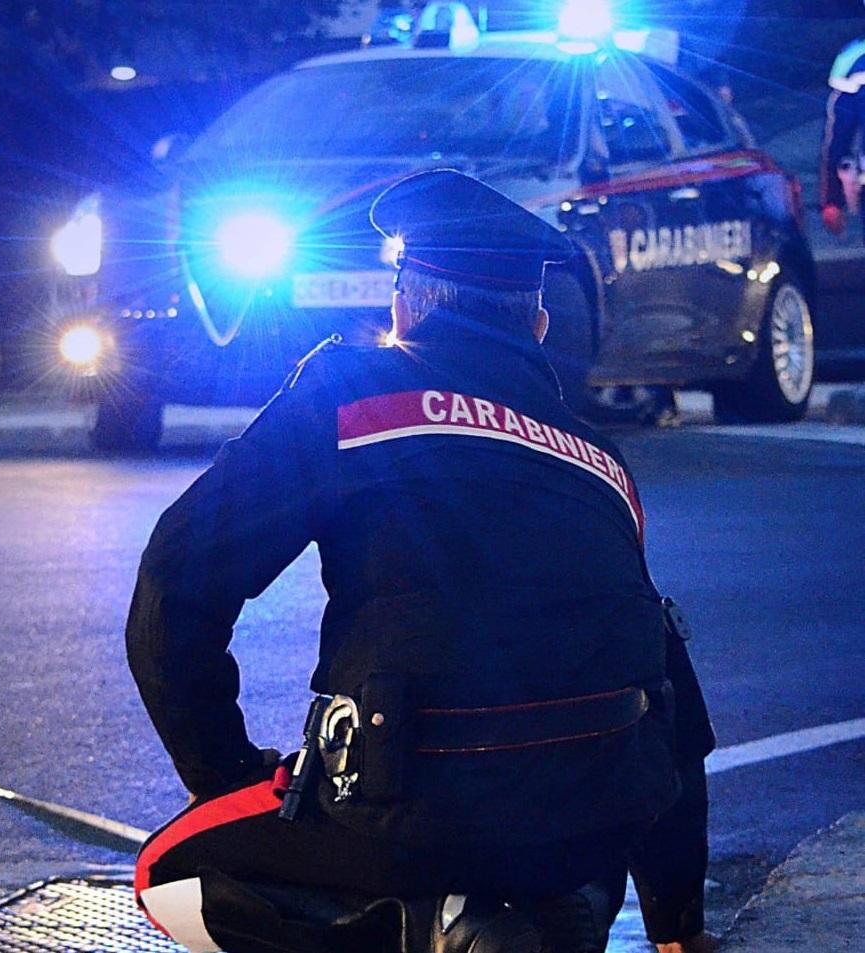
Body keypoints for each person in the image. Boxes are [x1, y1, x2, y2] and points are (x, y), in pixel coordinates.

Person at [126, 169, 717, 953]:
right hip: (593, 819)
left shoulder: (348, 394)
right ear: (537, 322)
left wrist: (225, 772)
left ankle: (418, 924)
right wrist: (677, 926)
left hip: (405, 815)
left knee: (169, 871)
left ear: (403, 304)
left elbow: (176, 583)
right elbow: (670, 692)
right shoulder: (600, 461)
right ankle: (544, 902)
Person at [820, 28, 865, 238]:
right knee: (836, 148)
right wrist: (853, 83)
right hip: (849, 100)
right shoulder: (855, 49)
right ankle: (833, 203)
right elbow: (834, 79)